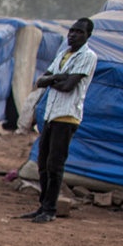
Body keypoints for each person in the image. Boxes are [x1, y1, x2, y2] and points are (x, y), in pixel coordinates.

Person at [24, 17, 97, 225]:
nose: (73, 35)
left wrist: (54, 79)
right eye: (71, 31)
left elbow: (68, 87)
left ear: (87, 35)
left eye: (79, 32)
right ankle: (42, 205)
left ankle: (50, 209)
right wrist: (59, 77)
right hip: (50, 114)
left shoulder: (88, 57)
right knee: (43, 162)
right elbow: (41, 81)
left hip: (67, 116)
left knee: (55, 164)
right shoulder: (63, 55)